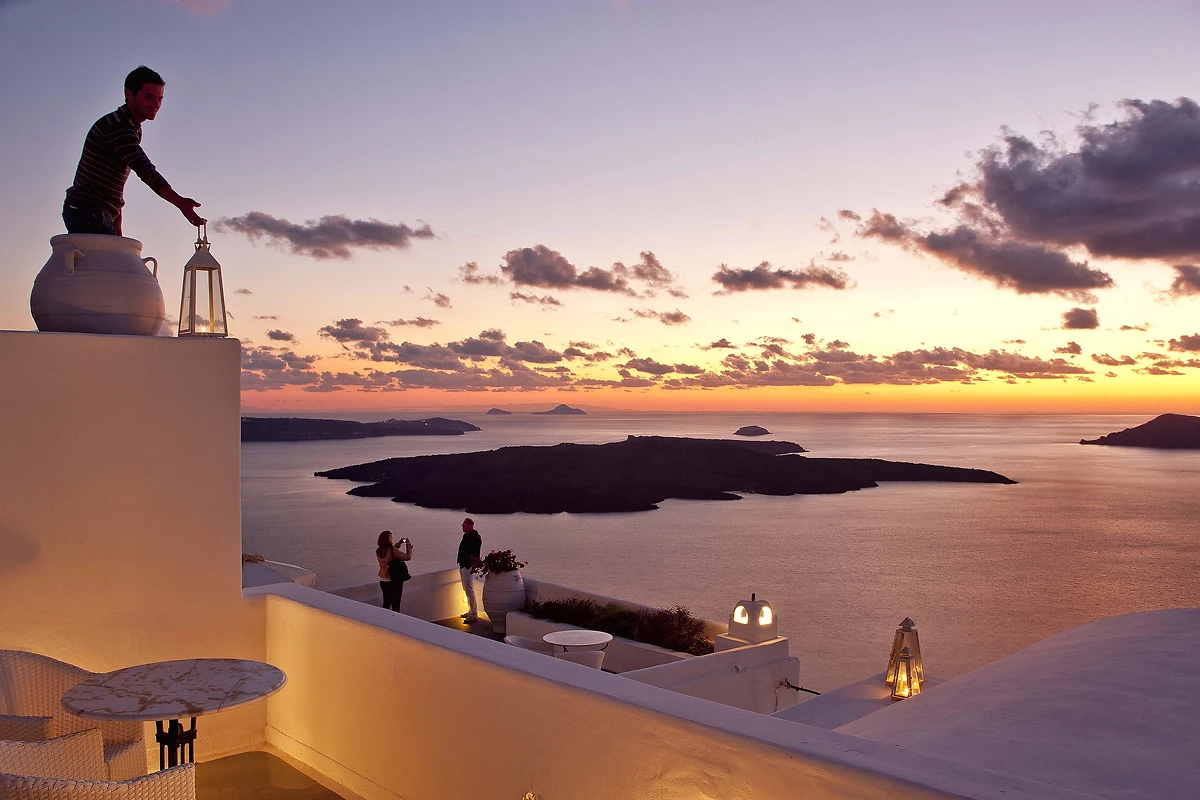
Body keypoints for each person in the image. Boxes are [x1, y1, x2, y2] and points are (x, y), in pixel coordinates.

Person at [63, 66, 206, 236]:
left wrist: (117, 226)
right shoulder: (117, 127)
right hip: (87, 212)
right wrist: (180, 202)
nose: (156, 104)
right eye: (149, 97)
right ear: (129, 94)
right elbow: (144, 169)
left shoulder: (132, 128)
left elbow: (114, 182)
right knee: (107, 263)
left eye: (160, 98)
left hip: (97, 213)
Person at [376, 530, 413, 612]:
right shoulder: (392, 550)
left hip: (383, 579)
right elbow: (408, 557)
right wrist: (408, 546)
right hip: (394, 579)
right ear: (388, 539)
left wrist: (398, 544)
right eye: (391, 537)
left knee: (386, 603)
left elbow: (389, 554)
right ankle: (395, 622)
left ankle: (384, 621)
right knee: (396, 605)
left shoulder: (378, 551)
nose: (392, 539)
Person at [456, 518, 482, 622]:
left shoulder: (475, 538)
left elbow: (475, 552)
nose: (463, 527)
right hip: (463, 564)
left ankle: (474, 614)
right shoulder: (467, 536)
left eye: (465, 525)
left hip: (468, 565)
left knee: (469, 589)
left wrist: (472, 563)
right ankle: (470, 610)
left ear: (471, 526)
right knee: (466, 589)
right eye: (463, 525)